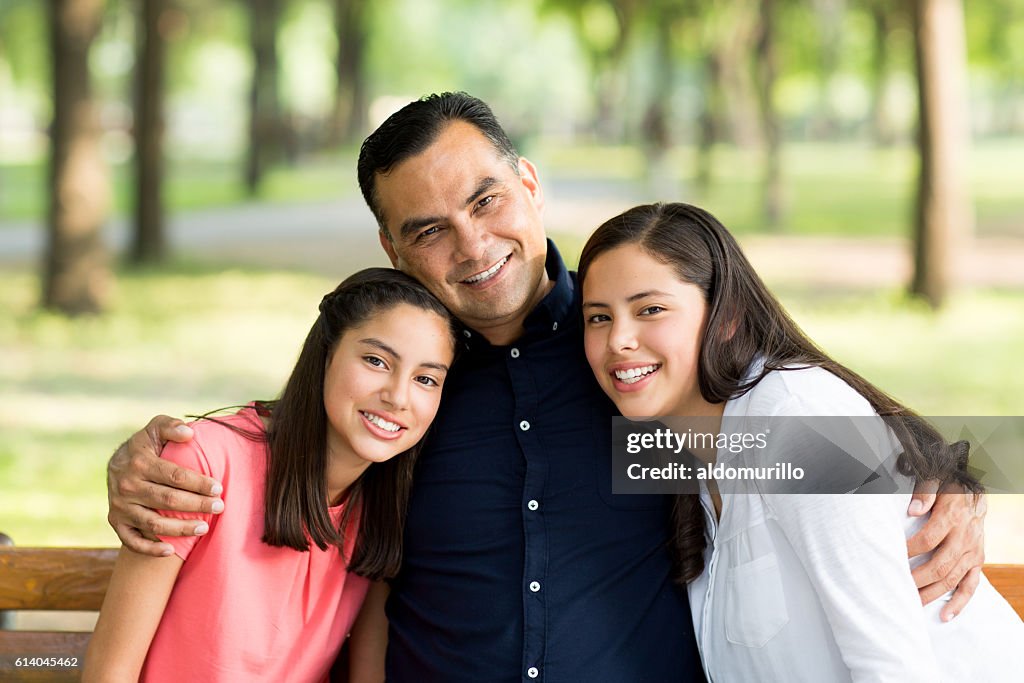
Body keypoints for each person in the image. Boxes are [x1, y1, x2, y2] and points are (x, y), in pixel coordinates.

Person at [105, 93, 987, 682]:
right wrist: (145, 457)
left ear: (529, 184)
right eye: (431, 229)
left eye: (487, 201)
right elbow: (273, 450)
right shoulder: (408, 402)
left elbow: (808, 438)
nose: (473, 244)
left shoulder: (639, 376)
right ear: (394, 253)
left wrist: (948, 473)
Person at [578, 202, 1023, 682]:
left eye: (651, 309)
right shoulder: (686, 457)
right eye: (598, 318)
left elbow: (894, 669)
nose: (619, 339)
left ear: (726, 318)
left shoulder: (796, 415)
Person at [83, 268, 458, 682]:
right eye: (375, 360)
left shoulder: (387, 507)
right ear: (327, 352)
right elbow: (109, 672)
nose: (398, 396)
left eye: (426, 378)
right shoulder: (205, 464)